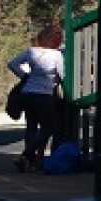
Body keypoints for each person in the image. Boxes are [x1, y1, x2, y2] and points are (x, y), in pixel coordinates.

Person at [7, 24, 65, 173]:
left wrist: (25, 76)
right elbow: (63, 75)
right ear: (57, 40)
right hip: (44, 95)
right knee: (48, 127)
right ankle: (26, 155)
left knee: (31, 127)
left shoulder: (32, 51)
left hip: (27, 93)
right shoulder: (56, 55)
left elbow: (12, 64)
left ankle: (30, 161)